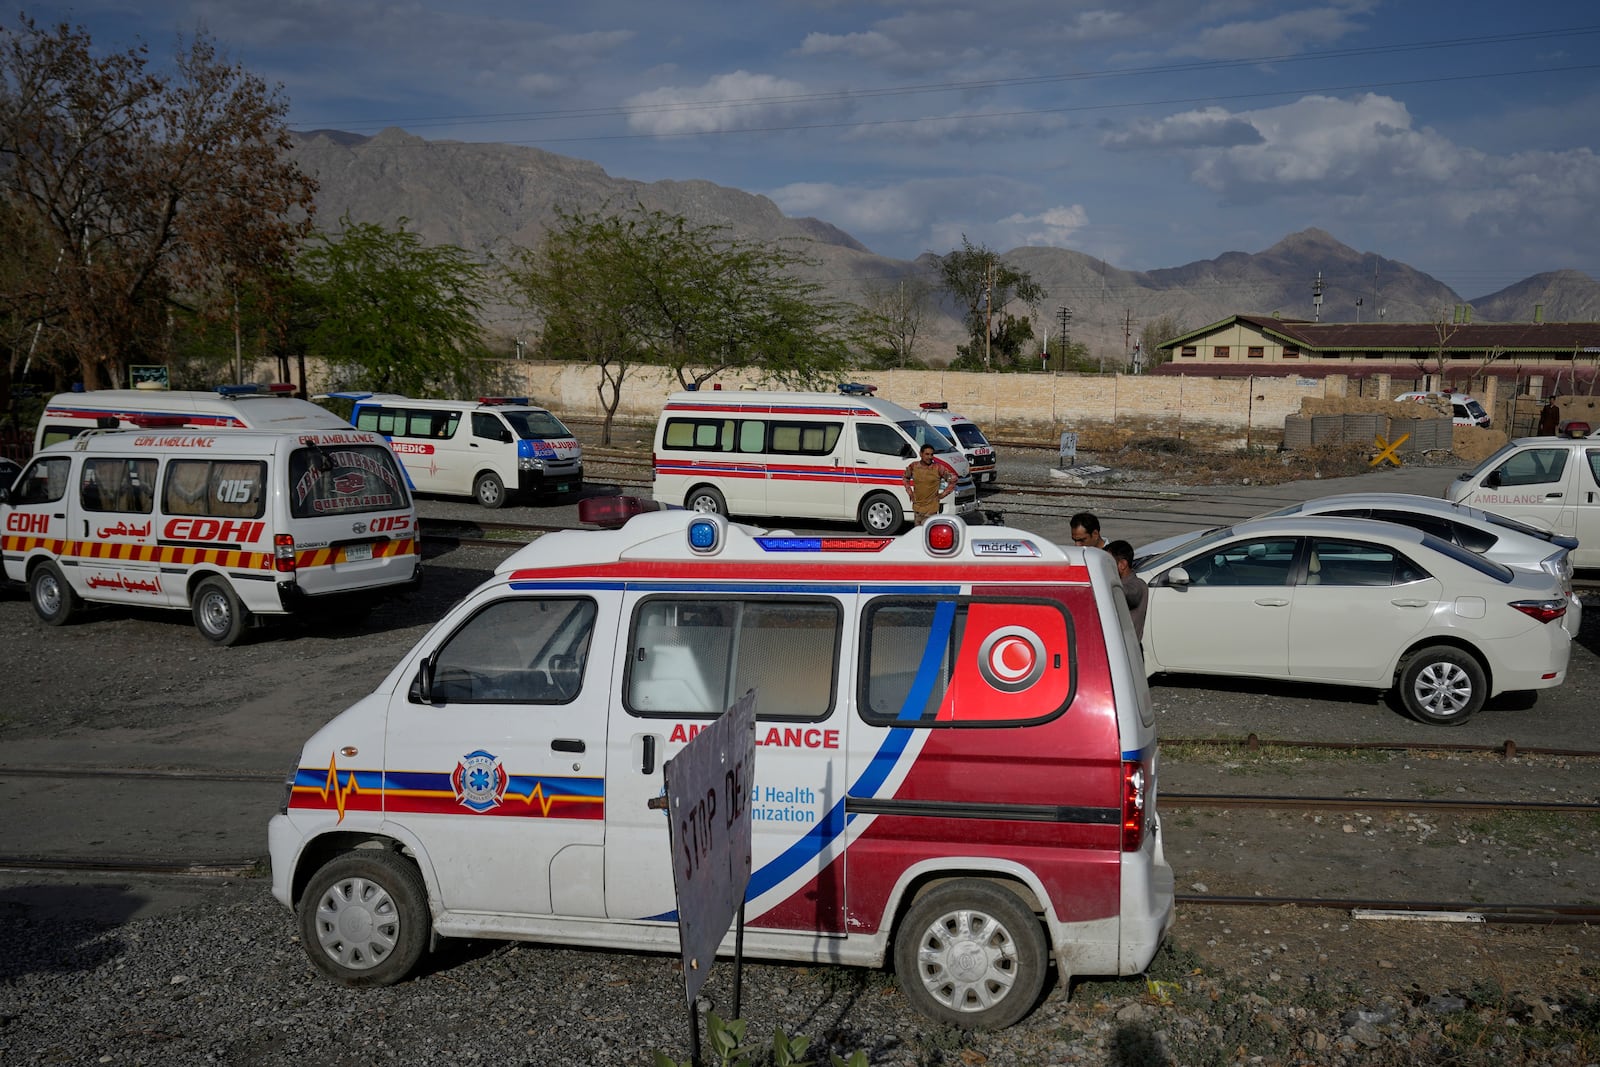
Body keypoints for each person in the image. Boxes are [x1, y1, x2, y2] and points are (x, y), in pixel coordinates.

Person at [1105, 539, 1148, 640]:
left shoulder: (1137, 585)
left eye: (1107, 563)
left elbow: (1128, 593)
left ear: (1122, 565)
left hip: (1127, 650)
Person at [902, 444, 955, 525]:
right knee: (918, 532)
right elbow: (905, 478)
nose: (930, 457)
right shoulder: (914, 466)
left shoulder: (938, 468)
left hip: (931, 509)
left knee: (927, 532)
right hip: (917, 507)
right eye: (927, 454)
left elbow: (953, 480)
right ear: (921, 454)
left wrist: (943, 494)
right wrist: (910, 492)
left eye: (931, 454)